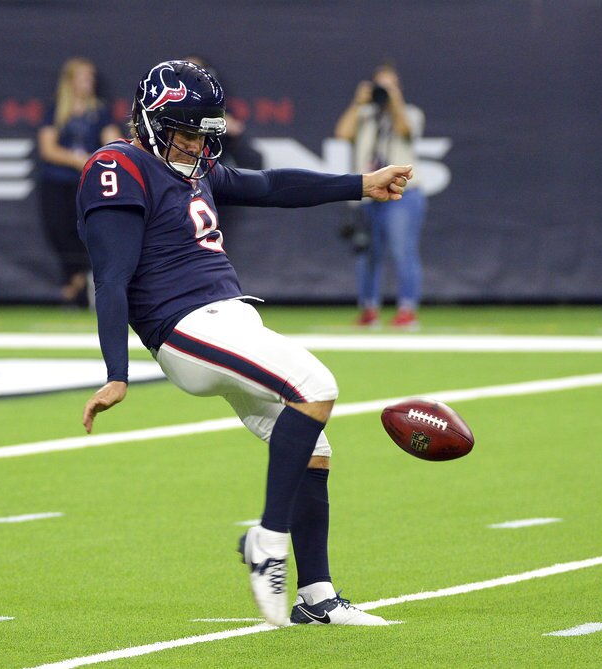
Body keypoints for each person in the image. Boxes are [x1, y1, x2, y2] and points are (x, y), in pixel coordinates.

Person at [76, 60, 413, 627]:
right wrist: (117, 372)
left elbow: (272, 186)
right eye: (186, 133)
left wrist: (361, 185)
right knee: (316, 386)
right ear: (152, 122)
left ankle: (317, 597)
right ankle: (267, 538)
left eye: (203, 134)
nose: (196, 145)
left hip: (228, 318)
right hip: (185, 325)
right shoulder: (118, 166)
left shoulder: (193, 169)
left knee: (313, 446)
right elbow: (111, 278)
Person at [335, 63, 427, 328]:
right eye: (381, 85)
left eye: (390, 85)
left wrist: (394, 99)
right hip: (369, 192)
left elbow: (405, 130)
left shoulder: (411, 113)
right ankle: (369, 309)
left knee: (403, 251)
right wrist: (357, 102)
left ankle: (407, 309)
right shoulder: (364, 115)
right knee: (367, 253)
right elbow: (342, 133)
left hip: (403, 193)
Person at [37, 58, 122, 307]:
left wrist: (115, 153)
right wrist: (77, 159)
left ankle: (78, 285)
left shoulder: (99, 111)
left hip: (87, 182)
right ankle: (75, 279)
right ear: (71, 81)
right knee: (58, 230)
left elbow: (112, 141)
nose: (89, 82)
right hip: (57, 182)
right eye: (84, 77)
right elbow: (48, 148)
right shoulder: (56, 110)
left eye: (91, 77)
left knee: (88, 231)